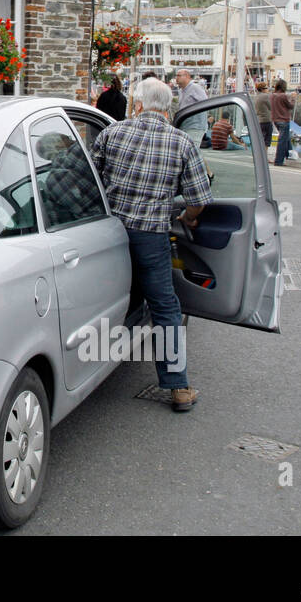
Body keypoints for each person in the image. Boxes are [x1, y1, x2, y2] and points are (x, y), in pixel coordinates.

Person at [90, 77, 211, 413]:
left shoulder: (112, 133)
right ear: (168, 108)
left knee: (102, 301)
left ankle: (91, 368)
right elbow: (199, 198)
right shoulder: (182, 142)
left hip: (107, 235)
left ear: (137, 104)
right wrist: (188, 217)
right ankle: (178, 388)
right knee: (165, 308)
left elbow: (91, 182)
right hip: (150, 237)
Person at [175, 67, 208, 145]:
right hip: (185, 127)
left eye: (179, 75)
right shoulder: (181, 91)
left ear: (187, 76)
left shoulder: (195, 88)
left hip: (195, 127)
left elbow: (205, 103)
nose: (176, 78)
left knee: (192, 149)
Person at [270, 79, 295, 165]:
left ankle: (289, 155)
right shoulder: (283, 96)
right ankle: (278, 161)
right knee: (282, 141)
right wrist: (293, 98)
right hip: (284, 120)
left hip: (275, 120)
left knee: (286, 138)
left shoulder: (272, 95)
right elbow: (290, 106)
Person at [253, 81, 273, 147]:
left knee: (260, 140)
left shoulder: (256, 97)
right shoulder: (265, 96)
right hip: (266, 120)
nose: (267, 89)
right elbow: (271, 107)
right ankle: (265, 156)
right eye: (266, 88)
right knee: (266, 141)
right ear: (262, 89)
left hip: (259, 120)